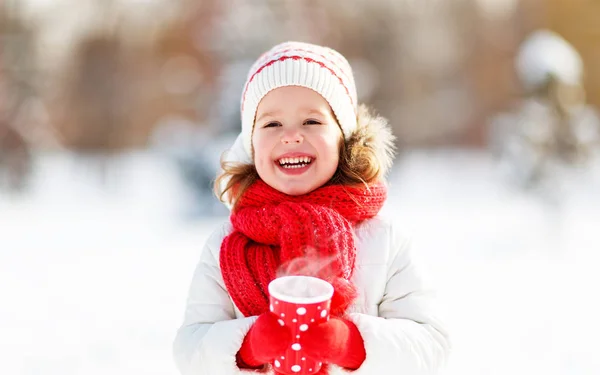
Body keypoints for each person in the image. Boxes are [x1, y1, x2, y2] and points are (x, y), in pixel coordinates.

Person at [173, 41, 450, 375]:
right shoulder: (225, 245)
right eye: (271, 124)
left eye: (312, 121)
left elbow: (431, 347)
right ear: (251, 142)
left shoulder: (385, 238)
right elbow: (190, 353)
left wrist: (353, 343)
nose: (291, 136)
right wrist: (248, 346)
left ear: (343, 137)